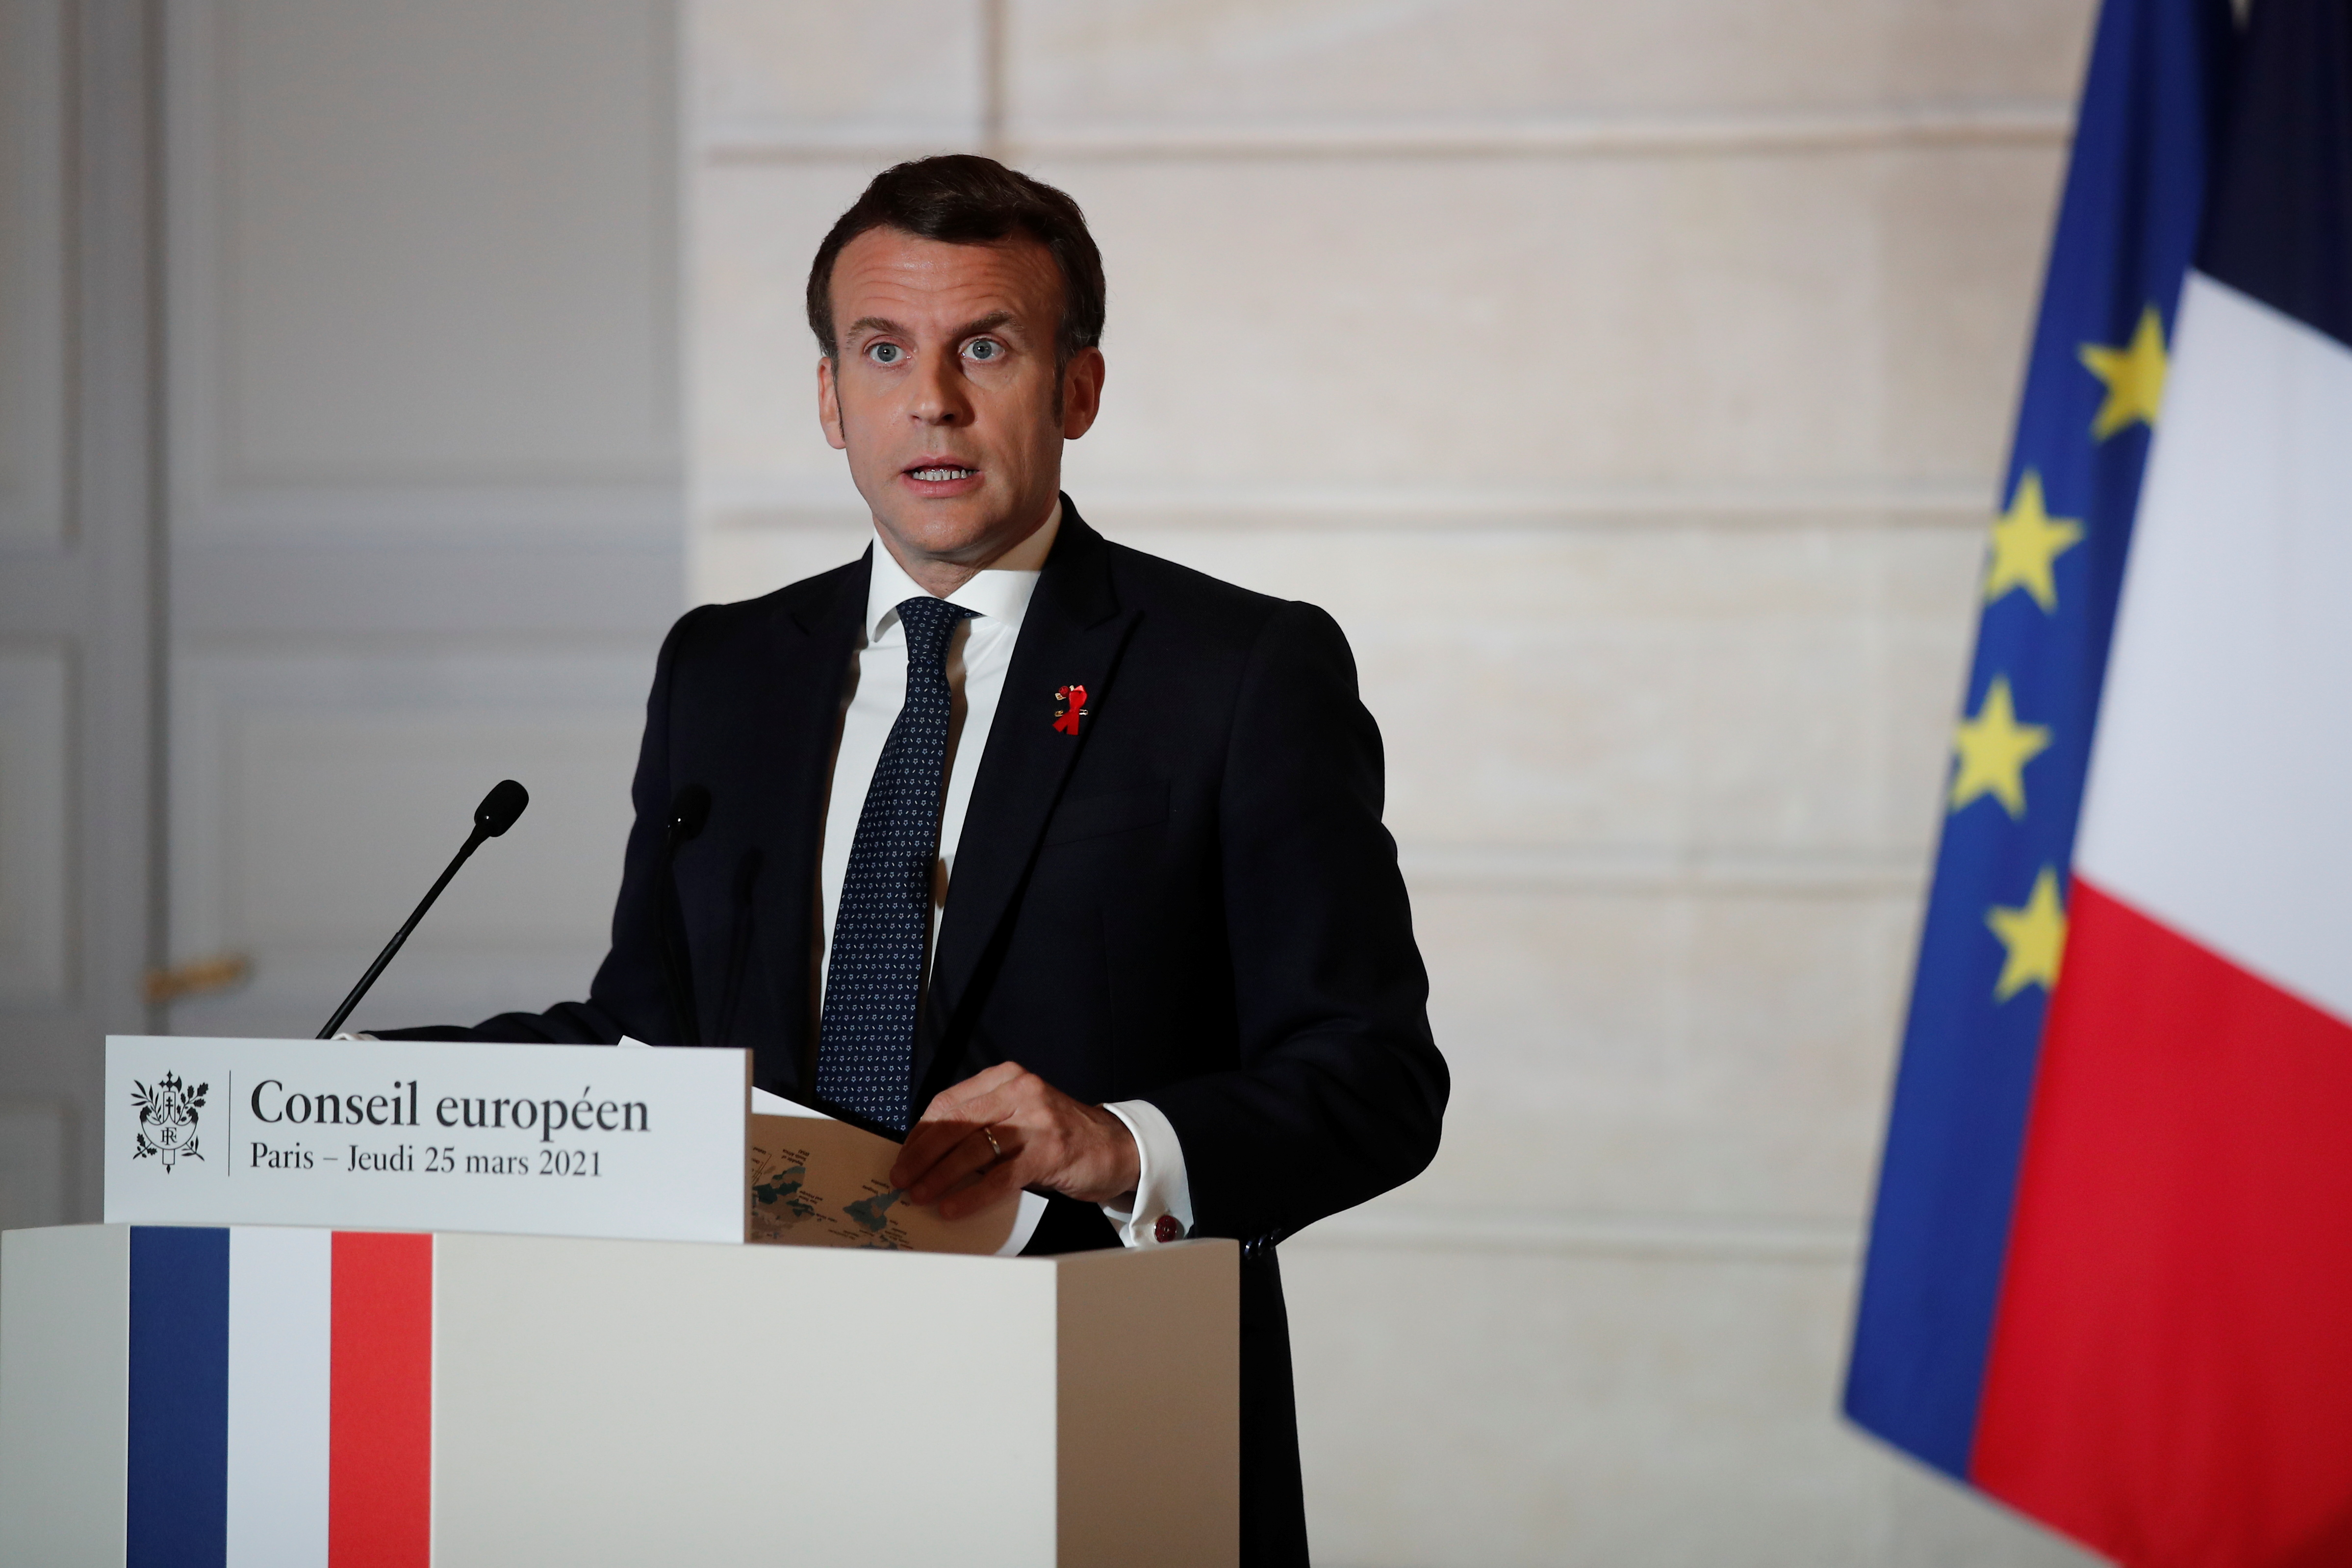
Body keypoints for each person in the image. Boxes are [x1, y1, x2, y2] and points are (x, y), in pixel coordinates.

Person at [384, 154, 1447, 1565]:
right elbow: (655, 1034)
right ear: (830, 398)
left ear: (1076, 389)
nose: (931, 400)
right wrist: (364, 1096)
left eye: (986, 348)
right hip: (748, 1417)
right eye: (882, 351)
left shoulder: (1239, 672)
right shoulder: (724, 668)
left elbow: (1372, 1080)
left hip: (1099, 1418)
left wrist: (1119, 1142)